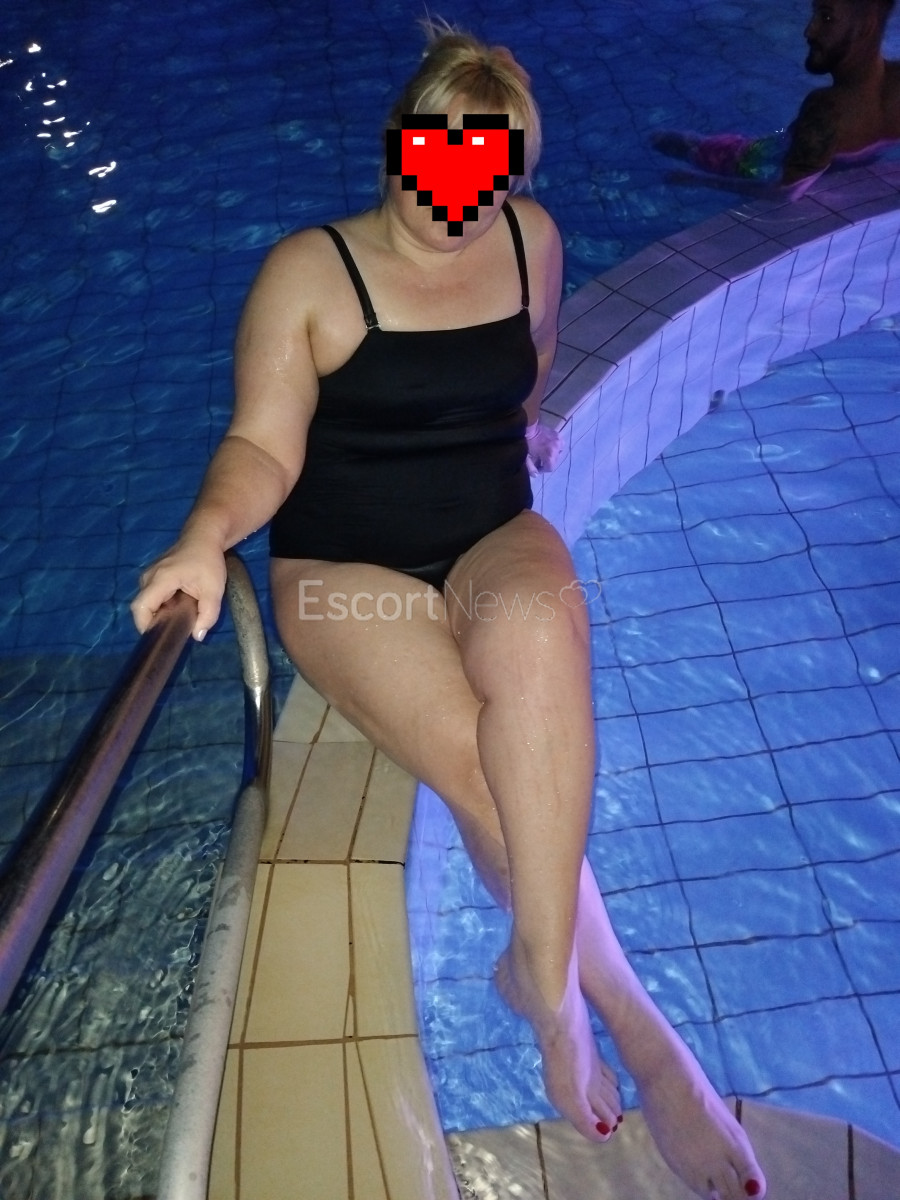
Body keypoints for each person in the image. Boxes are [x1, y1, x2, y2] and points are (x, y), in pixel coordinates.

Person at [132, 22, 766, 1200]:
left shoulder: (531, 240)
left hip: (489, 531)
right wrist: (205, 537)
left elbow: (529, 363)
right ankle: (608, 1016)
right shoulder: (312, 273)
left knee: (539, 632)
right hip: (345, 565)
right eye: (441, 155)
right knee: (493, 772)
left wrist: (524, 421)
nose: (461, 194)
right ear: (399, 142)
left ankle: (544, 974)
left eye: (491, 170)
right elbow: (262, 446)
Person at [652, 0, 900, 199]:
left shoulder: (827, 112)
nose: (809, 31)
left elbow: (784, 193)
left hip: (756, 162)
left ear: (866, 26)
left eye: (826, 18)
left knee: (671, 143)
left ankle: (675, 142)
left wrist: (700, 181)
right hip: (788, 153)